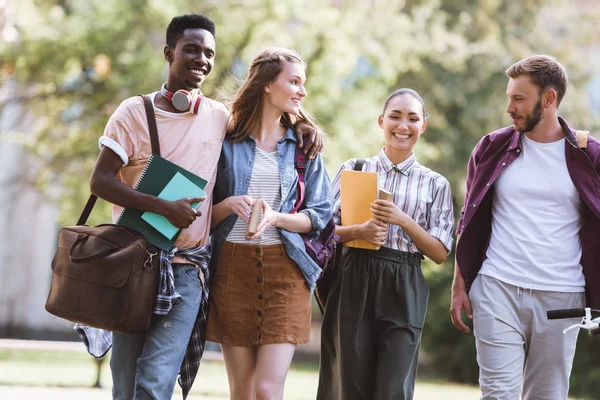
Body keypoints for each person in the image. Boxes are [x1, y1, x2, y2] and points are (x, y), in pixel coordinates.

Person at [77, 15, 323, 400]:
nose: (202, 60)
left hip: (188, 269)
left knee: (156, 383)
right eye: (192, 49)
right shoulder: (132, 112)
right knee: (125, 384)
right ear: (169, 52)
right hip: (133, 264)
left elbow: (265, 118)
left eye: (209, 53)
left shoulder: (217, 117)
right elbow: (100, 182)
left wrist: (303, 124)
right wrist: (163, 206)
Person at [450, 55, 600, 400]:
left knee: (546, 395)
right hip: (496, 288)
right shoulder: (491, 148)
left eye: (519, 99)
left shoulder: (588, 155)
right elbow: (468, 219)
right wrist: (460, 283)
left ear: (548, 99)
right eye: (509, 97)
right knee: (498, 394)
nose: (509, 108)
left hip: (563, 296)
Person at [205, 47, 333, 400]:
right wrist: (228, 205)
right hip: (232, 270)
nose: (302, 91)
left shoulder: (304, 146)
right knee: (243, 390)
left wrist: (277, 218)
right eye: (293, 81)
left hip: (285, 272)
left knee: (266, 388)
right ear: (266, 85)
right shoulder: (224, 141)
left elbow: (320, 215)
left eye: (303, 83)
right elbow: (199, 213)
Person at [317, 88, 455, 400]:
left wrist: (403, 219)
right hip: (354, 275)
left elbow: (439, 253)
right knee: (347, 383)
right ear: (381, 121)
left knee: (394, 388)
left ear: (423, 126)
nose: (403, 125)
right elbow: (323, 232)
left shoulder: (436, 183)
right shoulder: (355, 168)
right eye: (395, 116)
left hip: (404, 282)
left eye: (412, 118)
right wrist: (359, 231)